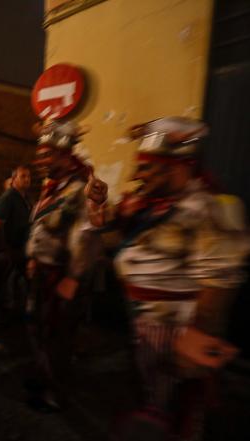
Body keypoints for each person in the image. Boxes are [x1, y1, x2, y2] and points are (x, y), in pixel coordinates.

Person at [86, 117, 249, 440]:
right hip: (142, 323)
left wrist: (199, 337)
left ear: (178, 167)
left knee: (182, 412)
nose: (138, 176)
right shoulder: (146, 206)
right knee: (150, 402)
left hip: (178, 329)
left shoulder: (210, 208)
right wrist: (98, 205)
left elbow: (220, 280)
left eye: (148, 167)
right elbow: (110, 242)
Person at [24, 119, 102, 412]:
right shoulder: (52, 189)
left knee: (58, 337)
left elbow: (86, 238)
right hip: (42, 273)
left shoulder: (79, 192)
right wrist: (33, 257)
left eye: (47, 155)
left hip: (60, 278)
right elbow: (41, 229)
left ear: (66, 157)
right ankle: (43, 377)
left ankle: (54, 393)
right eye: (40, 154)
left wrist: (72, 277)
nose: (40, 160)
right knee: (38, 329)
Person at [0, 164, 32, 315]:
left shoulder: (25, 198)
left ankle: (14, 310)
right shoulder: (8, 197)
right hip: (9, 248)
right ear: (14, 178)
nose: (27, 179)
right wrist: (4, 249)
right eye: (23, 176)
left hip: (21, 248)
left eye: (28, 176)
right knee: (2, 282)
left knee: (17, 281)